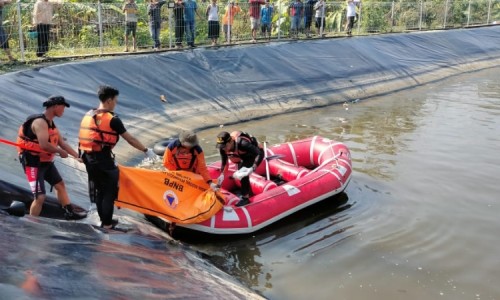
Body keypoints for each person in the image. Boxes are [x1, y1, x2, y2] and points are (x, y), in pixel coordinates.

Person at [79, 85, 156, 229]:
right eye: (115, 100)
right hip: (103, 159)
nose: (116, 103)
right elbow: (130, 139)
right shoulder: (113, 119)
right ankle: (107, 225)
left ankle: (104, 221)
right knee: (110, 191)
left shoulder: (89, 114)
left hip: (88, 158)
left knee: (100, 190)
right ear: (109, 101)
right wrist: (146, 150)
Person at [16, 96, 85, 220]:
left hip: (45, 162)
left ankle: (69, 213)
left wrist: (77, 157)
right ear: (55, 106)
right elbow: (44, 144)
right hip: (32, 163)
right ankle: (31, 222)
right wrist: (59, 151)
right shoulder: (40, 123)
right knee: (40, 197)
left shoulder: (52, 124)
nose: (64, 110)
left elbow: (62, 143)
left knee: (60, 185)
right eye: (63, 107)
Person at [216, 131, 264, 207]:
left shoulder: (242, 143)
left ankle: (245, 198)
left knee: (242, 174)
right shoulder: (223, 148)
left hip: (253, 153)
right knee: (241, 172)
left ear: (231, 142)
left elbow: (259, 153)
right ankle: (250, 194)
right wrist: (222, 175)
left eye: (225, 146)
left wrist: (253, 167)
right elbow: (224, 163)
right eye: (222, 147)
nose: (224, 149)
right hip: (241, 155)